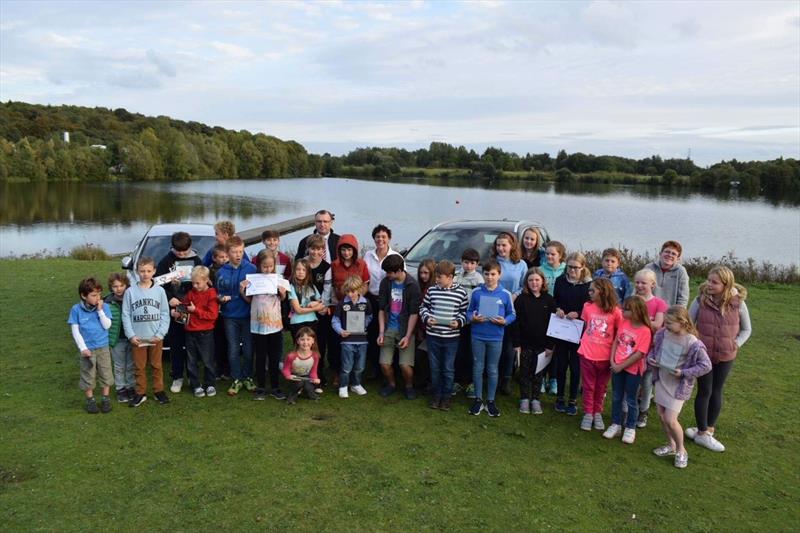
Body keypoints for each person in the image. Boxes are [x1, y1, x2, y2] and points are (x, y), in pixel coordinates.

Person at [686, 266, 752, 453]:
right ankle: (701, 432)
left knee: (716, 390)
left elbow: (747, 329)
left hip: (726, 355)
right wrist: (695, 346)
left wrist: (736, 344)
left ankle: (708, 430)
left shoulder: (738, 303)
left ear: (726, 284)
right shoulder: (700, 300)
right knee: (704, 390)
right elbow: (689, 325)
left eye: (714, 282)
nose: (709, 284)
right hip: (703, 356)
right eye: (708, 280)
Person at [648, 306, 711, 469]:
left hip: (677, 386)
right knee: (662, 417)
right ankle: (671, 445)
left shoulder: (693, 343)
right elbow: (654, 350)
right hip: (661, 380)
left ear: (682, 322)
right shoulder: (662, 334)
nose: (665, 325)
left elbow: (705, 365)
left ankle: (681, 450)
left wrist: (683, 372)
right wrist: (652, 359)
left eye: (669, 323)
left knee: (670, 419)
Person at [467, 260, 516, 417]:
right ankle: (478, 399)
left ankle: (491, 401)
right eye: (486, 274)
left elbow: (512, 314)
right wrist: (473, 318)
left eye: (493, 274)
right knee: (478, 367)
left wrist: (505, 321)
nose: (489, 277)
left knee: (493, 369)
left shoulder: (505, 294)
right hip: (478, 336)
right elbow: (468, 312)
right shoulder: (476, 292)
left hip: (496, 337)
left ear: (499, 275)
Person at [157, 231, 203, 395]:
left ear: (190, 247)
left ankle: (193, 376)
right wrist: (170, 298)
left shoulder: (197, 261)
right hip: (175, 309)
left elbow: (202, 284)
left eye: (185, 252)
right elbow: (158, 285)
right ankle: (177, 376)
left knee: (192, 345)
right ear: (173, 248)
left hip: (191, 307)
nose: (182, 255)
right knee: (176, 343)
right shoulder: (165, 261)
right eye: (179, 252)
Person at [419, 260, 469, 411]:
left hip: (451, 338)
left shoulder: (461, 292)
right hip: (433, 336)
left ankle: (447, 397)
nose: (437, 279)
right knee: (435, 368)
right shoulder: (432, 291)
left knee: (447, 368)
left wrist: (459, 322)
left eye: (440, 277)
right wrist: (427, 318)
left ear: (450, 277)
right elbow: (423, 308)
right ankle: (436, 395)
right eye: (437, 276)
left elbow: (464, 313)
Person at [122, 257, 171, 407]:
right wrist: (131, 335)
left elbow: (164, 313)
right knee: (139, 366)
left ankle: (158, 391)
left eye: (149, 271)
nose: (145, 274)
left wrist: (161, 333)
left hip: (155, 336)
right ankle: (140, 393)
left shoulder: (160, 291)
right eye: (142, 271)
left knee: (156, 365)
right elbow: (126, 314)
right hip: (138, 337)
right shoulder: (130, 292)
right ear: (137, 272)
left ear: (154, 271)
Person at [603, 296, 652, 444]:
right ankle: (616, 424)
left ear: (636, 311)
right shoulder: (624, 323)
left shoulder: (645, 331)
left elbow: (639, 354)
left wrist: (620, 365)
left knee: (631, 399)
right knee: (617, 396)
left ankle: (630, 427)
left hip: (632, 370)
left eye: (626, 309)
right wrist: (612, 360)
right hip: (617, 366)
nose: (623, 310)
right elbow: (616, 342)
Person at [240, 250, 287, 401]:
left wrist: (283, 292)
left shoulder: (278, 279)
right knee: (260, 357)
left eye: (270, 266)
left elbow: (283, 298)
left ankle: (275, 387)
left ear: (274, 265)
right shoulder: (254, 279)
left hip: (275, 325)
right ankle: (261, 387)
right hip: (258, 326)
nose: (267, 269)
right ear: (259, 265)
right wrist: (242, 290)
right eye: (264, 266)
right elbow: (249, 300)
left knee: (274, 357)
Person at [577, 278, 622, 431]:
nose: (589, 293)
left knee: (601, 387)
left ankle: (598, 413)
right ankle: (588, 413)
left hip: (606, 356)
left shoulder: (616, 312)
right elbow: (585, 327)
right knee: (588, 386)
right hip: (587, 353)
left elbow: (618, 333)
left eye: (592, 290)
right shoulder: (587, 307)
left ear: (602, 291)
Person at [215, 236, 257, 396]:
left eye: (241, 251)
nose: (238, 255)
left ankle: (248, 376)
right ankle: (236, 378)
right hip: (229, 315)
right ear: (227, 252)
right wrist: (220, 298)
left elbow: (256, 293)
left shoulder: (251, 269)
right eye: (234, 252)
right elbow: (218, 293)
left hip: (247, 314)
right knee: (232, 348)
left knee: (248, 348)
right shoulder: (221, 271)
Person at [552, 252, 592, 415]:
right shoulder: (561, 280)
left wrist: (579, 312)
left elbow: (590, 304)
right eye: (570, 267)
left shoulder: (588, 285)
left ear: (583, 267)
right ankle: (560, 397)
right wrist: (558, 309)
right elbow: (555, 299)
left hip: (579, 329)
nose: (573, 270)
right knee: (561, 365)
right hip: (561, 328)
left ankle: (573, 400)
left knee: (575, 368)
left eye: (576, 267)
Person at [377, 254, 422, 400]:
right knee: (384, 363)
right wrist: (381, 332)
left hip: (405, 329)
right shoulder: (385, 283)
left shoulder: (412, 285)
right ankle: (391, 384)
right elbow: (382, 309)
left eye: (389, 272)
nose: (387, 275)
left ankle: (409, 386)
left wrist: (408, 336)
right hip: (389, 327)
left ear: (398, 270)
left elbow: (414, 313)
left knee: (405, 365)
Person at [512, 268, 556, 415]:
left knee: (538, 374)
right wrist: (516, 344)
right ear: (526, 282)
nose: (534, 283)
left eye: (537, 280)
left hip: (543, 345)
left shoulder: (549, 300)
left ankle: (536, 399)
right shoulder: (521, 299)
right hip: (525, 344)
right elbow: (516, 323)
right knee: (524, 373)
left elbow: (553, 325)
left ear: (543, 281)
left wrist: (550, 345)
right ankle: (524, 398)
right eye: (531, 280)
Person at [68, 277, 113, 414]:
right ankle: (90, 400)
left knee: (105, 373)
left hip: (103, 347)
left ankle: (105, 399)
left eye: (99, 294)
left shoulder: (104, 307)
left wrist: (100, 311)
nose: (97, 297)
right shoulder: (76, 310)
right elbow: (76, 331)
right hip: (87, 350)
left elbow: (107, 325)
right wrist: (83, 348)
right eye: (93, 295)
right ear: (83, 295)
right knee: (88, 374)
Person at [330, 234, 370, 388]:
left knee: (356, 339)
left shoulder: (361, 264)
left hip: (357, 308)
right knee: (337, 342)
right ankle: (338, 373)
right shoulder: (334, 265)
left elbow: (365, 284)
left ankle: (356, 376)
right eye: (343, 250)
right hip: (340, 306)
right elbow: (332, 286)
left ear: (354, 250)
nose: (346, 253)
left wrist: (357, 299)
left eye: (349, 250)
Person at [490, 232, 526, 395]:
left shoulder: (521, 264)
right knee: (495, 344)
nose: (501, 248)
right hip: (494, 307)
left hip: (511, 308)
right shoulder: (492, 262)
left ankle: (506, 380)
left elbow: (524, 285)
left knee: (509, 347)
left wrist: (516, 294)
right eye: (498, 245)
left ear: (512, 246)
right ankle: (493, 378)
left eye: (504, 245)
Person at [364, 224, 401, 378]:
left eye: (383, 236)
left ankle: (392, 365)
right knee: (373, 333)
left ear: (389, 238)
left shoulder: (397, 257)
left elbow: (400, 279)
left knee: (390, 331)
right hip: (372, 298)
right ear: (374, 238)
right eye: (378, 236)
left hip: (390, 299)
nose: (380, 239)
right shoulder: (367, 255)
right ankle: (375, 367)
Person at [633, 268, 668, 428]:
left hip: (650, 349)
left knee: (646, 383)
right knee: (631, 383)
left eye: (644, 283)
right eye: (637, 282)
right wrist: (647, 321)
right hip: (631, 348)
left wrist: (638, 319)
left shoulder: (659, 303)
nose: (640, 286)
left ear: (652, 285)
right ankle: (629, 410)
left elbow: (657, 324)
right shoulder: (631, 300)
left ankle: (643, 412)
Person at [331, 276, 373, 398]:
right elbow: (335, 320)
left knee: (360, 366)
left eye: (353, 291)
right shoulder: (342, 304)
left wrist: (362, 325)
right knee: (346, 366)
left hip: (362, 341)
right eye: (348, 291)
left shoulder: (366, 303)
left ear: (359, 289)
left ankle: (356, 384)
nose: (350, 294)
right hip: (347, 341)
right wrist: (340, 331)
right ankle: (343, 386)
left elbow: (369, 317)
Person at [182, 266, 219, 398]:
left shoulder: (211, 294)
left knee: (207, 360)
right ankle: (195, 385)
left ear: (206, 280)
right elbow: (184, 308)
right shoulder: (190, 293)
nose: (195, 285)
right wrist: (178, 312)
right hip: (190, 331)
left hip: (206, 332)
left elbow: (213, 315)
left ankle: (210, 384)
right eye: (193, 283)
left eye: (198, 283)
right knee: (191, 361)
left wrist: (195, 310)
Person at [454, 248, 484, 398]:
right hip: (457, 321)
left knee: (473, 353)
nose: (468, 266)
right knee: (459, 352)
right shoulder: (455, 276)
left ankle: (472, 383)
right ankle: (458, 381)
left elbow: (481, 300)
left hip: (473, 322)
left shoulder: (479, 279)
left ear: (477, 264)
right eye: (466, 262)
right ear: (461, 262)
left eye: (472, 263)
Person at [305, 234, 333, 390]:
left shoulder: (326, 267)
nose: (315, 252)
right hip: (303, 309)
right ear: (308, 248)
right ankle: (303, 376)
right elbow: (297, 286)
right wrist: (307, 304)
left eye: (319, 249)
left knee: (319, 345)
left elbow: (328, 289)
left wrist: (321, 304)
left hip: (320, 311)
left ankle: (319, 376)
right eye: (313, 248)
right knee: (304, 343)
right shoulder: (301, 263)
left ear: (323, 250)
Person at [105, 273, 135, 403]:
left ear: (127, 285)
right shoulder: (107, 302)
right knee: (119, 365)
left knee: (130, 364)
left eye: (121, 285)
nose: (119, 289)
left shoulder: (133, 298)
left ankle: (130, 387)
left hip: (132, 337)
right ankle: (120, 388)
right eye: (115, 286)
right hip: (117, 339)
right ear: (111, 288)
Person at [287, 258, 325, 342]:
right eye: (298, 269)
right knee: (300, 348)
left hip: (312, 321)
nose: (301, 272)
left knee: (311, 347)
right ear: (294, 271)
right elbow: (298, 310)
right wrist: (315, 308)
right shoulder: (292, 287)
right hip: (298, 322)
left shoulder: (312, 287)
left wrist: (315, 302)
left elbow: (321, 301)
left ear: (307, 272)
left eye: (304, 270)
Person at [282, 327, 321, 405]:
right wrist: (288, 376)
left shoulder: (315, 356)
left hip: (306, 376)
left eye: (308, 339)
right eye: (302, 339)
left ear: (313, 341)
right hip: (294, 376)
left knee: (308, 387)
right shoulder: (291, 356)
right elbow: (285, 369)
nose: (305, 342)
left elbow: (313, 371)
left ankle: (309, 393)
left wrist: (315, 379)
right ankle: (291, 397)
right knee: (298, 383)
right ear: (298, 341)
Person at [645, 240, 690, 307]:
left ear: (678, 259)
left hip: (670, 314)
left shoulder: (681, 271)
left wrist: (676, 315)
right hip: (649, 310)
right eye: (667, 252)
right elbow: (638, 290)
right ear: (660, 254)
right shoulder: (649, 268)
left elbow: (683, 298)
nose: (669, 255)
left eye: (673, 254)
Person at [209, 244, 230, 380]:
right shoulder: (210, 271)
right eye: (221, 257)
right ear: (214, 258)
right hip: (215, 309)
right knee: (217, 341)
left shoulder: (230, 270)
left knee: (227, 341)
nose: (224, 259)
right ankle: (217, 368)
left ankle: (227, 369)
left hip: (227, 309)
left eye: (226, 257)